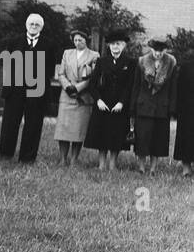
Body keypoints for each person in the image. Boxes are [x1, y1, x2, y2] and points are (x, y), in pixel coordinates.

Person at [0, 12, 56, 163]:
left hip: (37, 91)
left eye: (37, 25)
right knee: (10, 123)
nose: (34, 27)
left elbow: (49, 70)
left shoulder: (49, 45)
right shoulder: (14, 42)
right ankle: (6, 154)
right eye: (31, 24)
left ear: (41, 28)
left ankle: (27, 158)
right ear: (26, 25)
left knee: (34, 124)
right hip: (15, 89)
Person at [83, 30, 135, 172]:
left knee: (116, 134)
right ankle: (101, 164)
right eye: (112, 44)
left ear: (123, 46)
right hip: (103, 104)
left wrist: (122, 103)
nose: (115, 47)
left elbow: (129, 86)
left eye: (118, 44)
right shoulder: (101, 61)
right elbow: (92, 84)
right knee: (102, 133)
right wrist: (98, 100)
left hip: (119, 105)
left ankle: (112, 164)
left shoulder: (130, 63)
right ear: (109, 46)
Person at [132, 36, 178, 175]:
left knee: (158, 139)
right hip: (144, 105)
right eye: (155, 50)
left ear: (165, 49)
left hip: (161, 107)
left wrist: (172, 108)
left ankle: (153, 168)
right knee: (142, 137)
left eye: (161, 50)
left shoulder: (171, 63)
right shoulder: (142, 61)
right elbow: (136, 85)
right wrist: (132, 106)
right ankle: (141, 167)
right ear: (151, 48)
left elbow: (173, 87)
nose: (158, 53)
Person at [53, 29, 97, 166]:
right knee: (63, 130)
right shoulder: (67, 53)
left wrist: (77, 88)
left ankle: (73, 159)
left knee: (78, 131)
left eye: (81, 40)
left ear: (86, 40)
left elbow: (94, 77)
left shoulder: (94, 55)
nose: (78, 43)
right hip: (66, 97)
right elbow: (61, 74)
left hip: (83, 98)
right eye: (75, 40)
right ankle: (62, 159)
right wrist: (67, 87)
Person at [175, 50, 194, 176]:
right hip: (187, 110)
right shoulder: (186, 67)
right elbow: (179, 89)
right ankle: (186, 167)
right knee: (186, 137)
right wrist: (177, 109)